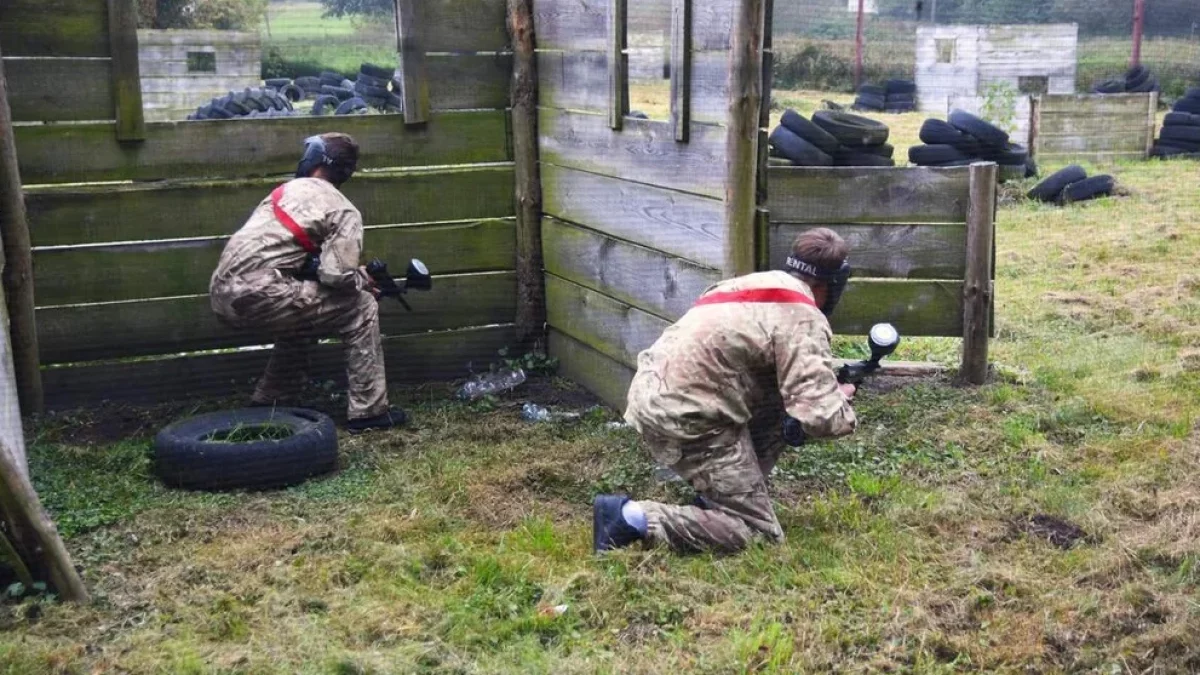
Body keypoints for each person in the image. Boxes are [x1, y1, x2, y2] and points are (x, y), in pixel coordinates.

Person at [593, 228, 858, 553]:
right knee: (757, 535)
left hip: (654, 394)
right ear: (832, 284)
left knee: (779, 410)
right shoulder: (802, 316)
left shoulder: (750, 284)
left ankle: (718, 495)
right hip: (688, 417)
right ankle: (631, 517)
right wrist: (839, 400)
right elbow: (820, 415)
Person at [209, 132, 405, 433]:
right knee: (362, 307)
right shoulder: (343, 209)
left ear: (314, 159)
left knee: (301, 313)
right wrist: (361, 283)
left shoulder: (284, 192)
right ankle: (369, 412)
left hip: (222, 294)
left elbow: (296, 261)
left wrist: (351, 276)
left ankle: (272, 398)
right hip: (263, 293)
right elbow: (336, 275)